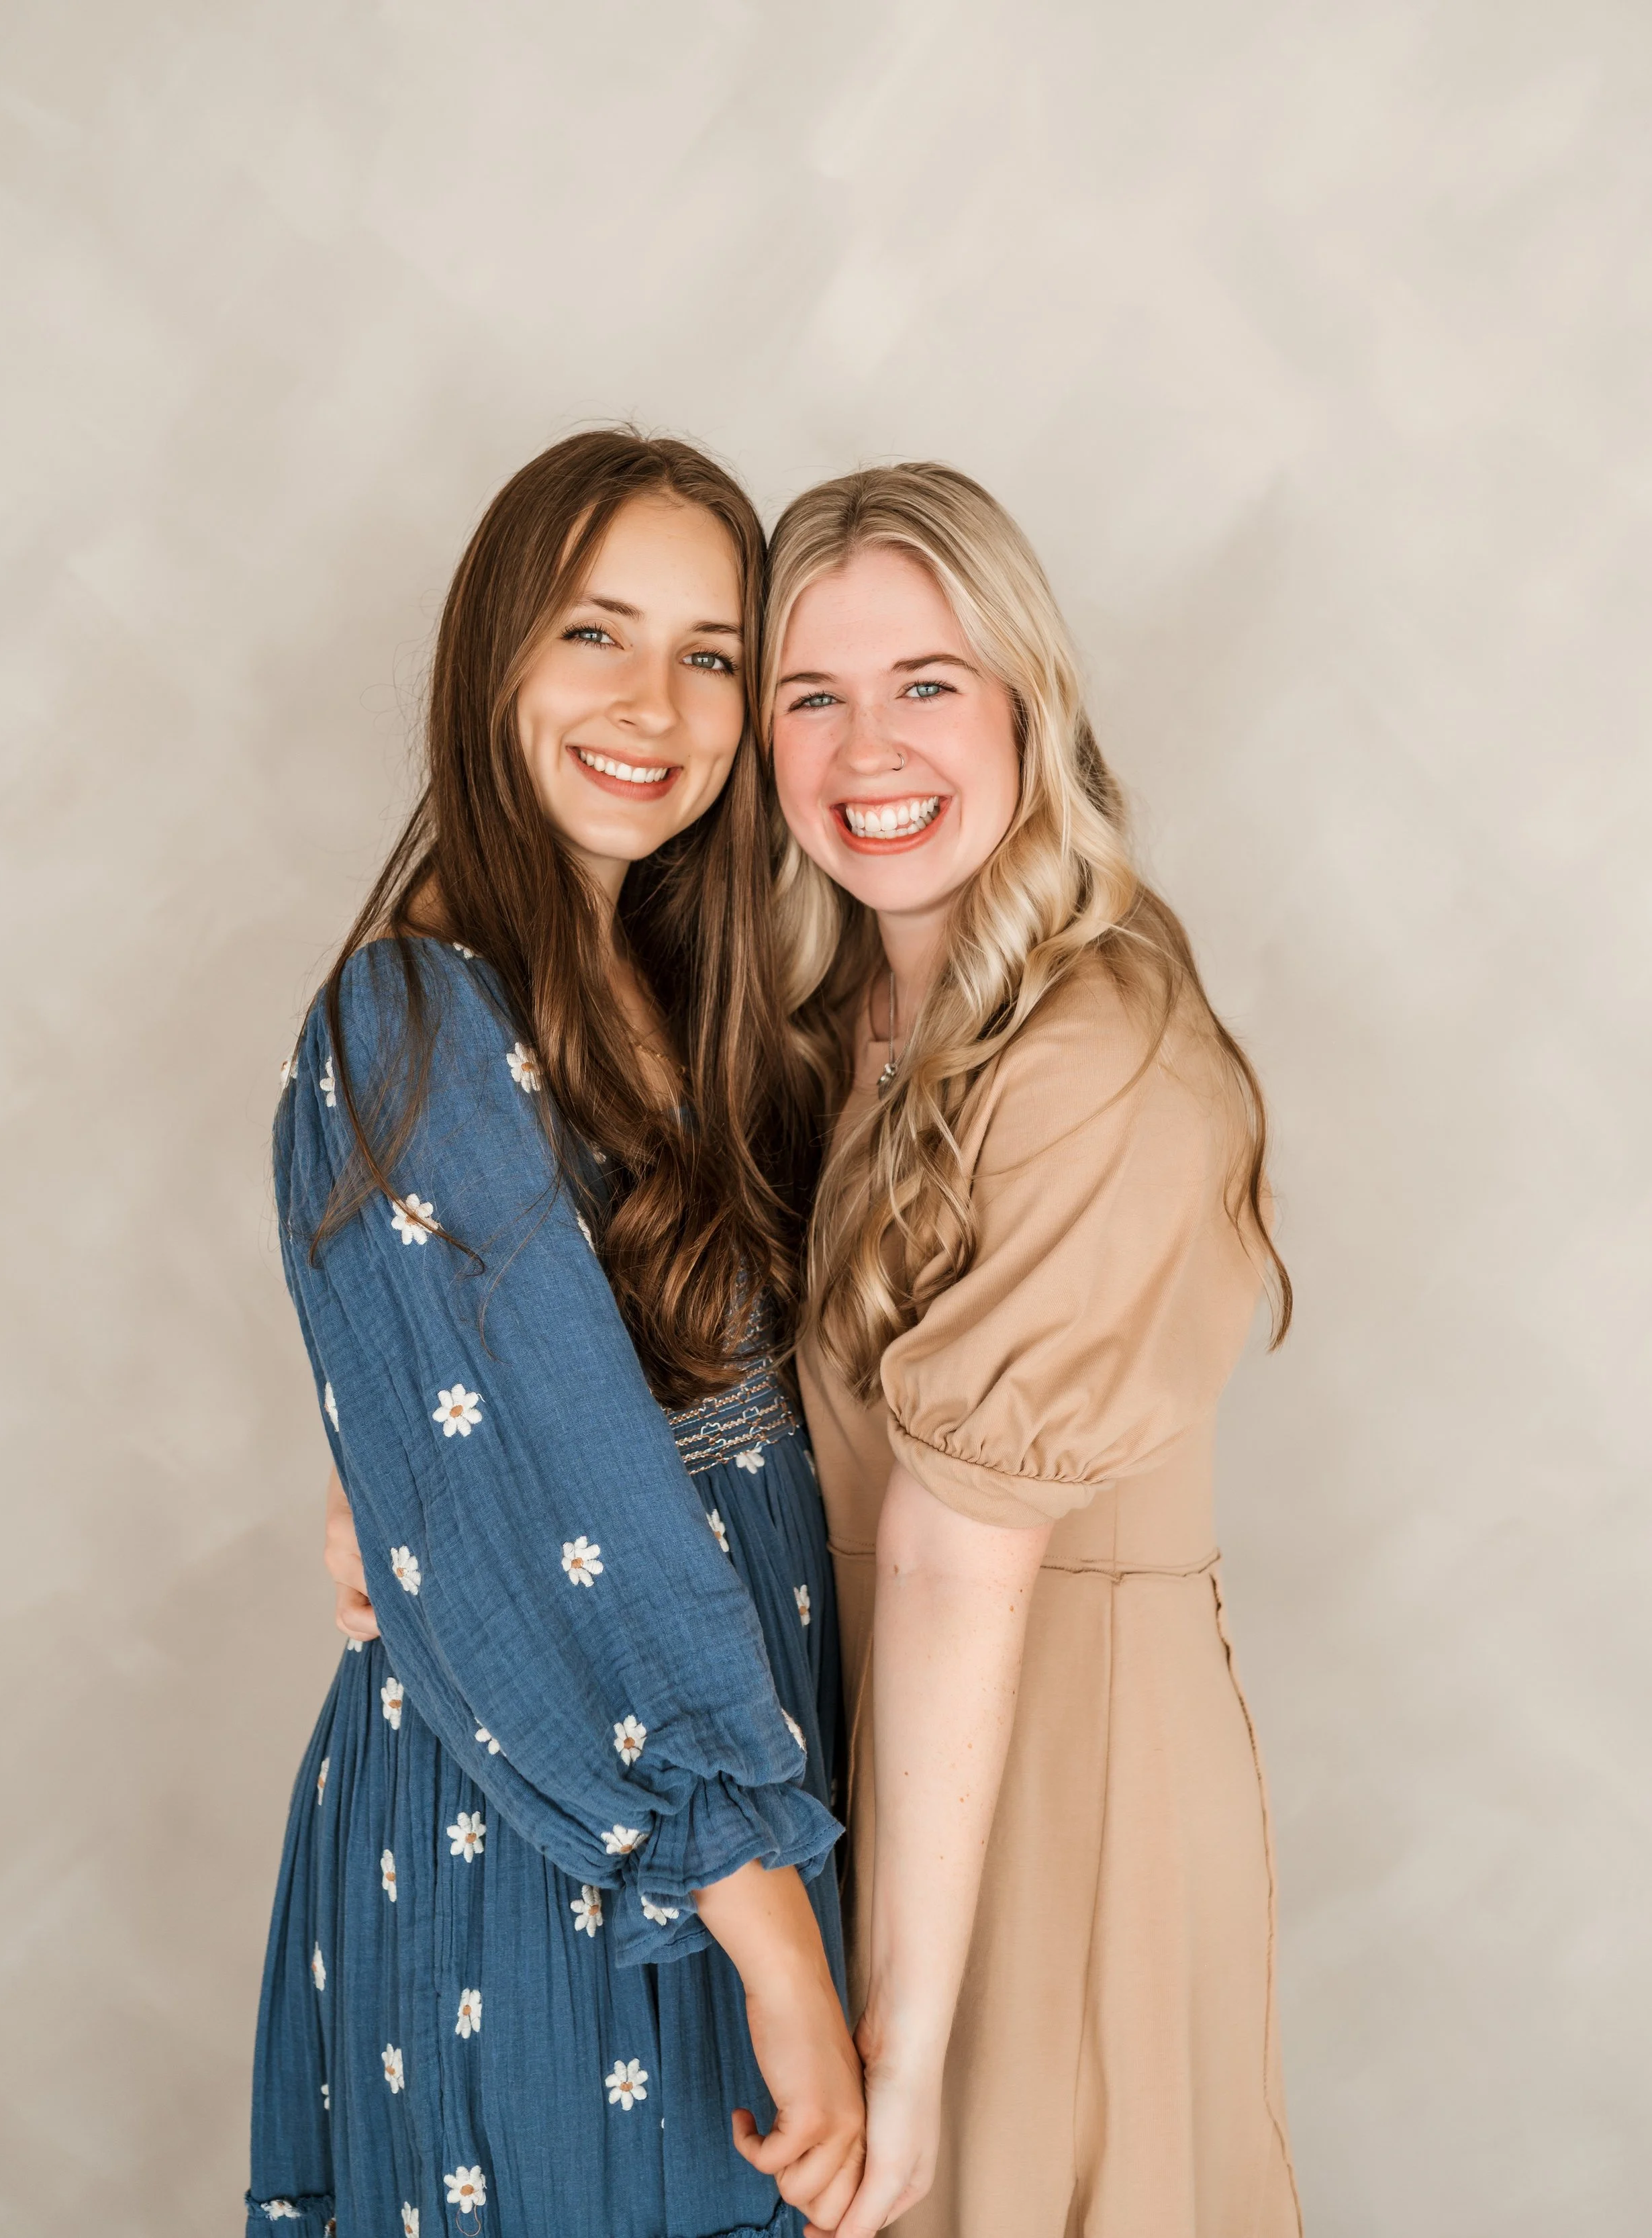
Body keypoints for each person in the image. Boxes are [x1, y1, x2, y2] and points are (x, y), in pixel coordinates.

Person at [248, 430, 864, 2238]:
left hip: (725, 1807)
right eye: (595, 633)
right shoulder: (411, 1009)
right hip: (565, 1842)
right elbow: (547, 1477)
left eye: (711, 653)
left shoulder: (692, 991)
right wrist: (778, 1945)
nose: (652, 702)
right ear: (493, 657)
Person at [768, 464, 1304, 2237]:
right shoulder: (832, 1025)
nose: (869, 746)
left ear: (1024, 705)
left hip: (1049, 1772)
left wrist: (903, 2032)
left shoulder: (1097, 1050)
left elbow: (948, 1550)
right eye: (810, 693)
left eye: (923, 680)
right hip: (892, 1753)